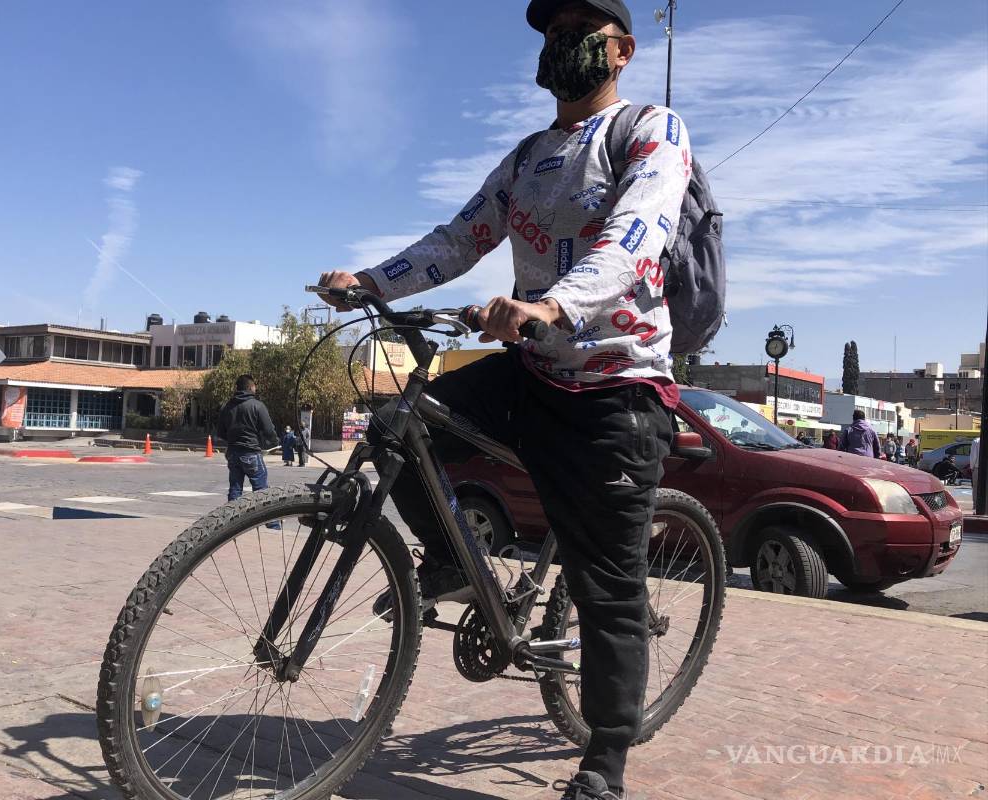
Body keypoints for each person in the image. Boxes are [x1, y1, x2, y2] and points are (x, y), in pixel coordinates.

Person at [319, 2, 689, 796]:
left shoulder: (650, 130)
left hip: (614, 389)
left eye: (578, 29)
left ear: (620, 50)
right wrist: (371, 283)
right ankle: (453, 561)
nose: (559, 43)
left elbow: (637, 233)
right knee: (392, 429)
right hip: (531, 371)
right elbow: (461, 238)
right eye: (550, 31)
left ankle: (605, 760)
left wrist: (553, 304)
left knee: (607, 585)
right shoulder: (528, 157)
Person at [216, 374, 279, 512]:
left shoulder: (227, 407)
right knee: (261, 490)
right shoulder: (257, 406)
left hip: (232, 453)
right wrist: (275, 441)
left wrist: (233, 440)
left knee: (235, 489)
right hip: (251, 453)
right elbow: (269, 430)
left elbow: (220, 432)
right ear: (251, 387)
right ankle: (271, 524)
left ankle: (230, 521)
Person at [971, 435, 981, 512]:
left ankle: (975, 507)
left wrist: (972, 467)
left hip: (978, 468)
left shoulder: (976, 441)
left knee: (976, 488)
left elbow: (973, 456)